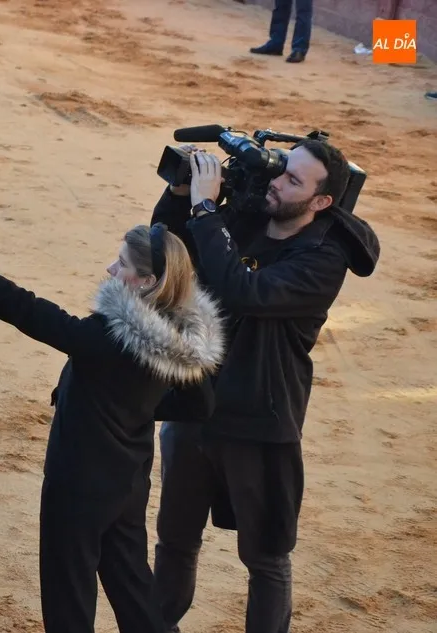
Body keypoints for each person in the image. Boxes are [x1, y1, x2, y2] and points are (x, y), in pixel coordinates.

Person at [0, 222, 226, 633]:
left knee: (68, 601)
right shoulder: (178, 338)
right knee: (134, 590)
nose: (111, 269)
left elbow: (23, 308)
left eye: (122, 264)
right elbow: (200, 404)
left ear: (148, 281)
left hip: (77, 488)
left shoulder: (105, 339)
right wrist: (136, 408)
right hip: (128, 485)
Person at [150, 141, 380, 633]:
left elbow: (244, 291)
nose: (276, 182)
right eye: (282, 169)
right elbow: (171, 253)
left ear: (322, 201)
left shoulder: (323, 259)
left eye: (294, 181)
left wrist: (207, 211)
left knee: (265, 557)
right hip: (194, 404)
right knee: (174, 541)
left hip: (258, 421)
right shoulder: (248, 215)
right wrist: (181, 195)